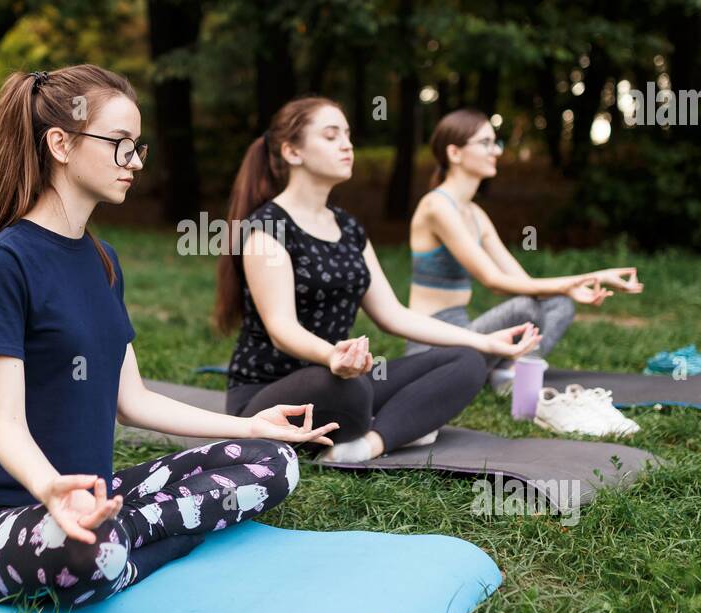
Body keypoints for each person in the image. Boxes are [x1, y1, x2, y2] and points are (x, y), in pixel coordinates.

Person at [0, 65, 338, 609]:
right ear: (60, 143)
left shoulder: (105, 261)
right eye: (119, 145)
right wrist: (49, 491)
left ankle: (130, 537)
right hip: (1, 517)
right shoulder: (2, 264)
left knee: (275, 461)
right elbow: (5, 426)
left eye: (138, 147)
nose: (133, 162)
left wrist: (249, 424)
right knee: (90, 553)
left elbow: (133, 402)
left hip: (100, 499)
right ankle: (154, 540)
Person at [212, 96, 542, 465]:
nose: (347, 145)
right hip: (269, 395)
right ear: (292, 152)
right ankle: (399, 424)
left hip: (341, 375)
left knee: (466, 362)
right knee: (348, 390)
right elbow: (281, 328)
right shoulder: (268, 228)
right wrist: (332, 356)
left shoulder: (349, 227)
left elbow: (393, 314)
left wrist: (484, 342)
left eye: (348, 135)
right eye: (331, 136)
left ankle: (367, 444)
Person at [405, 108, 644, 389]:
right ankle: (503, 372)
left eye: (495, 142)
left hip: (466, 335)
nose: (495, 150)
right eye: (485, 143)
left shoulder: (475, 214)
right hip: (431, 347)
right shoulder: (437, 207)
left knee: (559, 303)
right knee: (525, 307)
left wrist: (592, 279)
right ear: (455, 153)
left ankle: (508, 370)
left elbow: (522, 282)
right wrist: (577, 281)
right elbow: (494, 282)